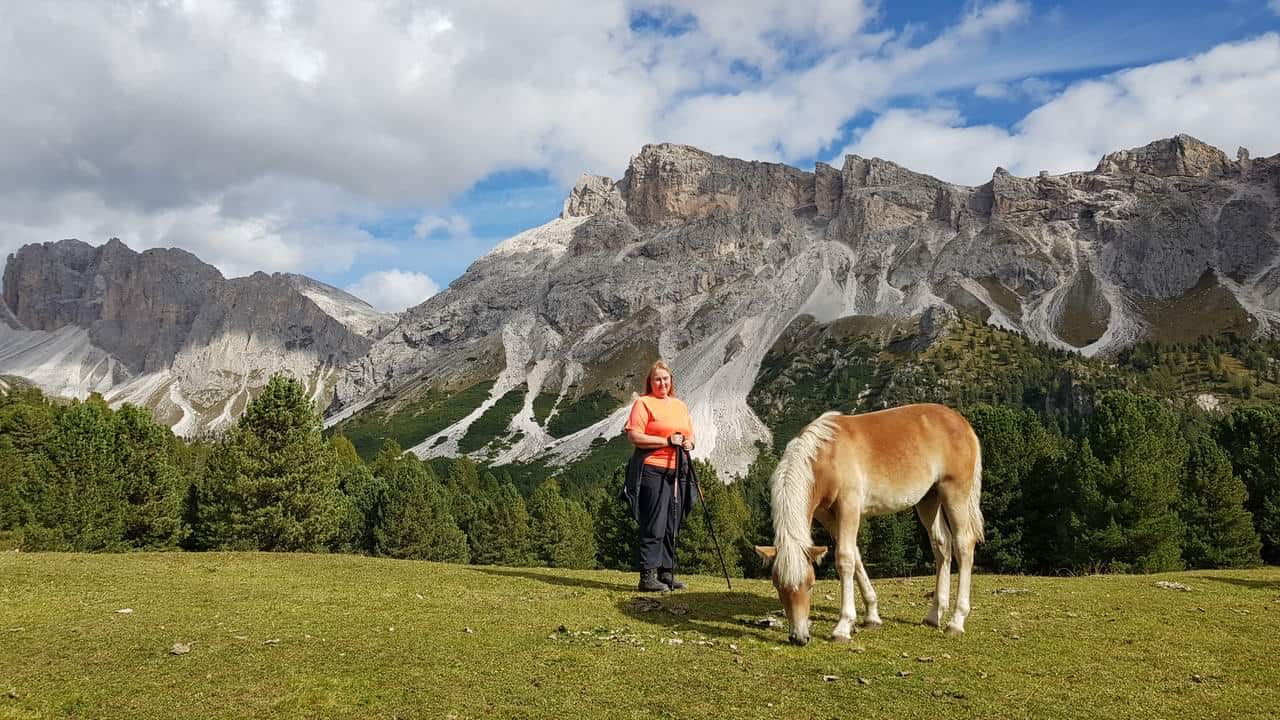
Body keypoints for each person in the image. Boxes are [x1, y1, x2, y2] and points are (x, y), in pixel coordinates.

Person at [620, 360, 698, 592]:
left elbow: (691, 436)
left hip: (678, 469)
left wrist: (688, 443)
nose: (662, 383)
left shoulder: (680, 406)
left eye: (665, 378)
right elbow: (634, 436)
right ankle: (647, 577)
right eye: (657, 379)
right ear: (650, 382)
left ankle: (666, 572)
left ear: (671, 381)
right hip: (652, 469)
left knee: (672, 522)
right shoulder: (643, 404)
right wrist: (665, 441)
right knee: (654, 522)